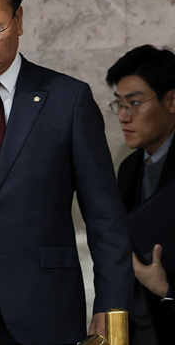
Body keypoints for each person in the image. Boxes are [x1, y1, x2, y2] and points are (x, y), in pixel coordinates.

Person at [0, 0, 133, 345]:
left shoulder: (67, 100)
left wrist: (111, 307)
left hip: (43, 308)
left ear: (19, 20)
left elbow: (105, 218)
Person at [106, 45, 175, 344]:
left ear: (171, 101)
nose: (124, 116)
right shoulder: (129, 168)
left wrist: (167, 290)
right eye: (119, 104)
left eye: (134, 103)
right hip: (138, 326)